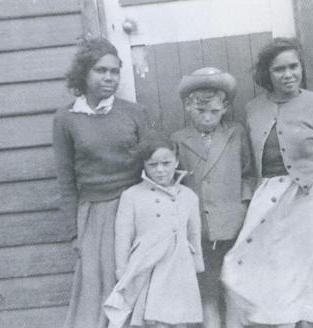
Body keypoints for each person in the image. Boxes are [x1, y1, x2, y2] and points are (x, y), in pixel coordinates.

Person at [221, 38, 313, 328]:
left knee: (295, 280)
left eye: (294, 66)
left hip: (310, 198)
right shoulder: (254, 108)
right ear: (267, 74)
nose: (289, 74)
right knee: (241, 268)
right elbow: (251, 164)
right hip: (269, 196)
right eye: (280, 69)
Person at [52, 38, 150, 328]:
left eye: (114, 71)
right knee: (99, 291)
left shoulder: (134, 113)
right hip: (95, 214)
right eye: (100, 70)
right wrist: (74, 233)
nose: (109, 78)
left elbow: (153, 161)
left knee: (137, 284)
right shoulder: (66, 119)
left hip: (134, 208)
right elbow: (66, 180)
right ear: (84, 74)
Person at [172, 67, 254, 328]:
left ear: (226, 107)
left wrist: (242, 207)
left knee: (235, 288)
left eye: (214, 111)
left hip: (234, 224)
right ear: (187, 106)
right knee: (207, 290)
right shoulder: (178, 139)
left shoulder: (236, 133)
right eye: (200, 111)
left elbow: (248, 173)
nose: (208, 118)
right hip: (200, 228)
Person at [103, 131, 204, 328]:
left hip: (179, 265)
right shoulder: (132, 196)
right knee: (153, 318)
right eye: (152, 165)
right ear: (144, 165)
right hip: (148, 264)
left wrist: (196, 261)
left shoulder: (188, 195)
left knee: (179, 318)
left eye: (166, 164)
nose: (160, 170)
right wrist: (122, 269)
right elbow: (123, 236)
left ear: (176, 162)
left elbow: (194, 233)